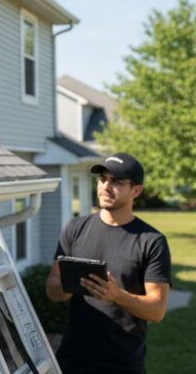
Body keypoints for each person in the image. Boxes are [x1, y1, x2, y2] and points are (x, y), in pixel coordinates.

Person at [45, 153, 172, 374]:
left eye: (117, 182)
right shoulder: (75, 229)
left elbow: (157, 310)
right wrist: (67, 286)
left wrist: (116, 295)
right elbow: (52, 289)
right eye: (102, 179)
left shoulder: (152, 241)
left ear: (136, 190)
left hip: (121, 365)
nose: (106, 186)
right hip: (71, 359)